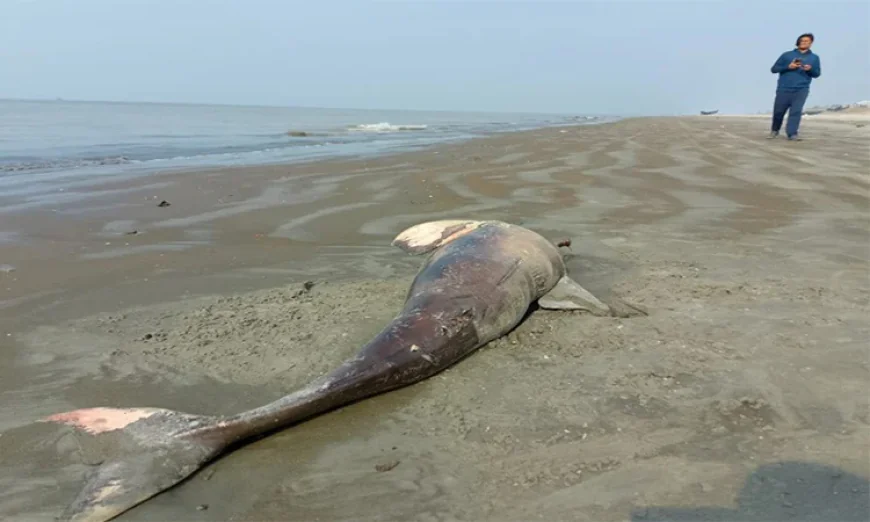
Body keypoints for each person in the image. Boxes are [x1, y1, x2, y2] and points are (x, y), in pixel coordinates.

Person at [768, 33, 822, 141]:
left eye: (807, 41)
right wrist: (788, 67)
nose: (804, 42)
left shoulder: (814, 58)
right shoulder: (786, 55)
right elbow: (774, 69)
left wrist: (809, 69)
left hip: (801, 89)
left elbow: (817, 74)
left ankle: (792, 133)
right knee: (779, 111)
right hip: (784, 88)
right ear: (798, 42)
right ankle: (775, 130)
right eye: (802, 40)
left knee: (796, 111)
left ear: (811, 43)